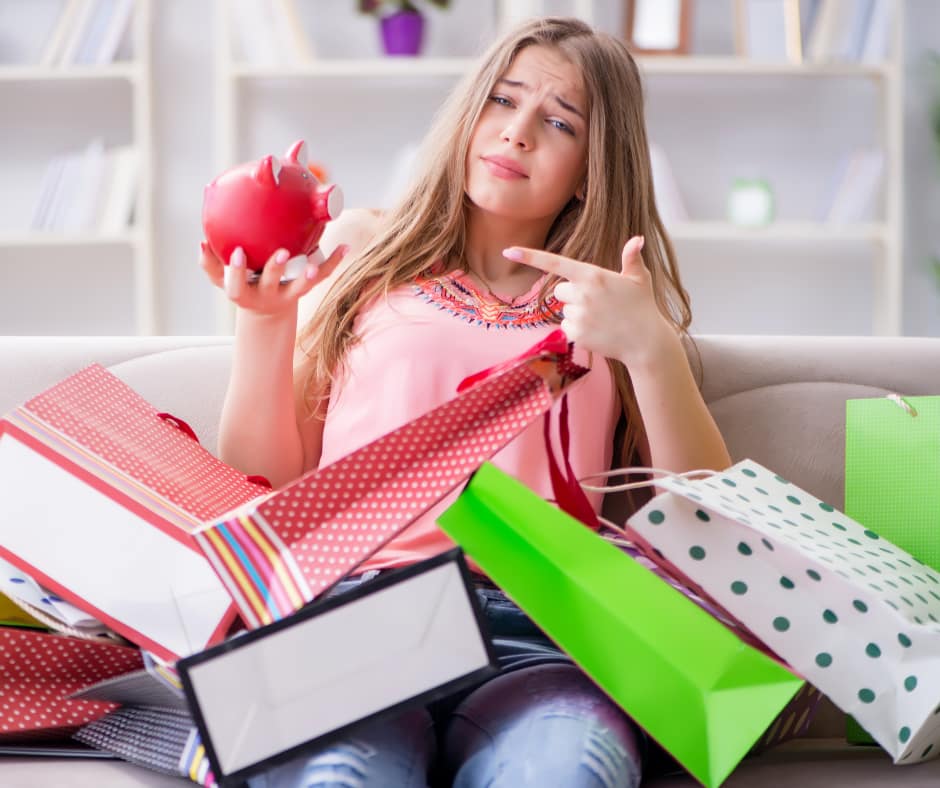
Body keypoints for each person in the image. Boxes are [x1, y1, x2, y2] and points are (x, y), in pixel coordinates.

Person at [200, 16, 730, 788]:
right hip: (356, 620)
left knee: (569, 774)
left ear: (592, 166)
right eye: (501, 102)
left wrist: (650, 348)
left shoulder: (612, 301)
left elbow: (710, 529)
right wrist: (265, 321)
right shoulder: (365, 249)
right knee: (339, 780)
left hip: (545, 635)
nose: (515, 133)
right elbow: (269, 486)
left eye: (557, 121)